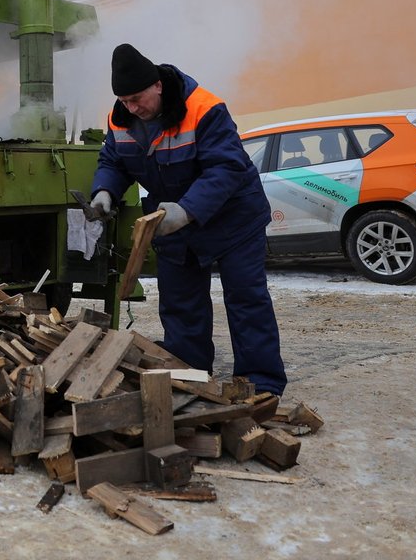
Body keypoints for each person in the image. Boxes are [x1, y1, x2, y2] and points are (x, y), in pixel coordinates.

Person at [89, 43, 286, 396]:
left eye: (137, 98)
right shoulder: (120, 118)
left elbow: (226, 167)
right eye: (124, 101)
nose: (132, 108)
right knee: (180, 301)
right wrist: (105, 191)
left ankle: (261, 383)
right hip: (172, 219)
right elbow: (113, 162)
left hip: (233, 218)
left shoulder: (204, 109)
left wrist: (187, 210)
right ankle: (189, 371)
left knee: (245, 299)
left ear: (158, 86)